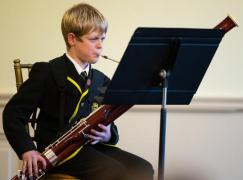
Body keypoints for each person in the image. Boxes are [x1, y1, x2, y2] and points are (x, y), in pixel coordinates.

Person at [3, 3, 154, 180]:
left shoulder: (101, 80)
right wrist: (27, 149)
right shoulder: (47, 72)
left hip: (91, 148)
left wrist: (108, 134)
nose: (100, 45)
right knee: (115, 173)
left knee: (143, 168)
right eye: (93, 39)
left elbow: (107, 118)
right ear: (72, 39)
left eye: (103, 39)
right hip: (57, 154)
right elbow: (13, 114)